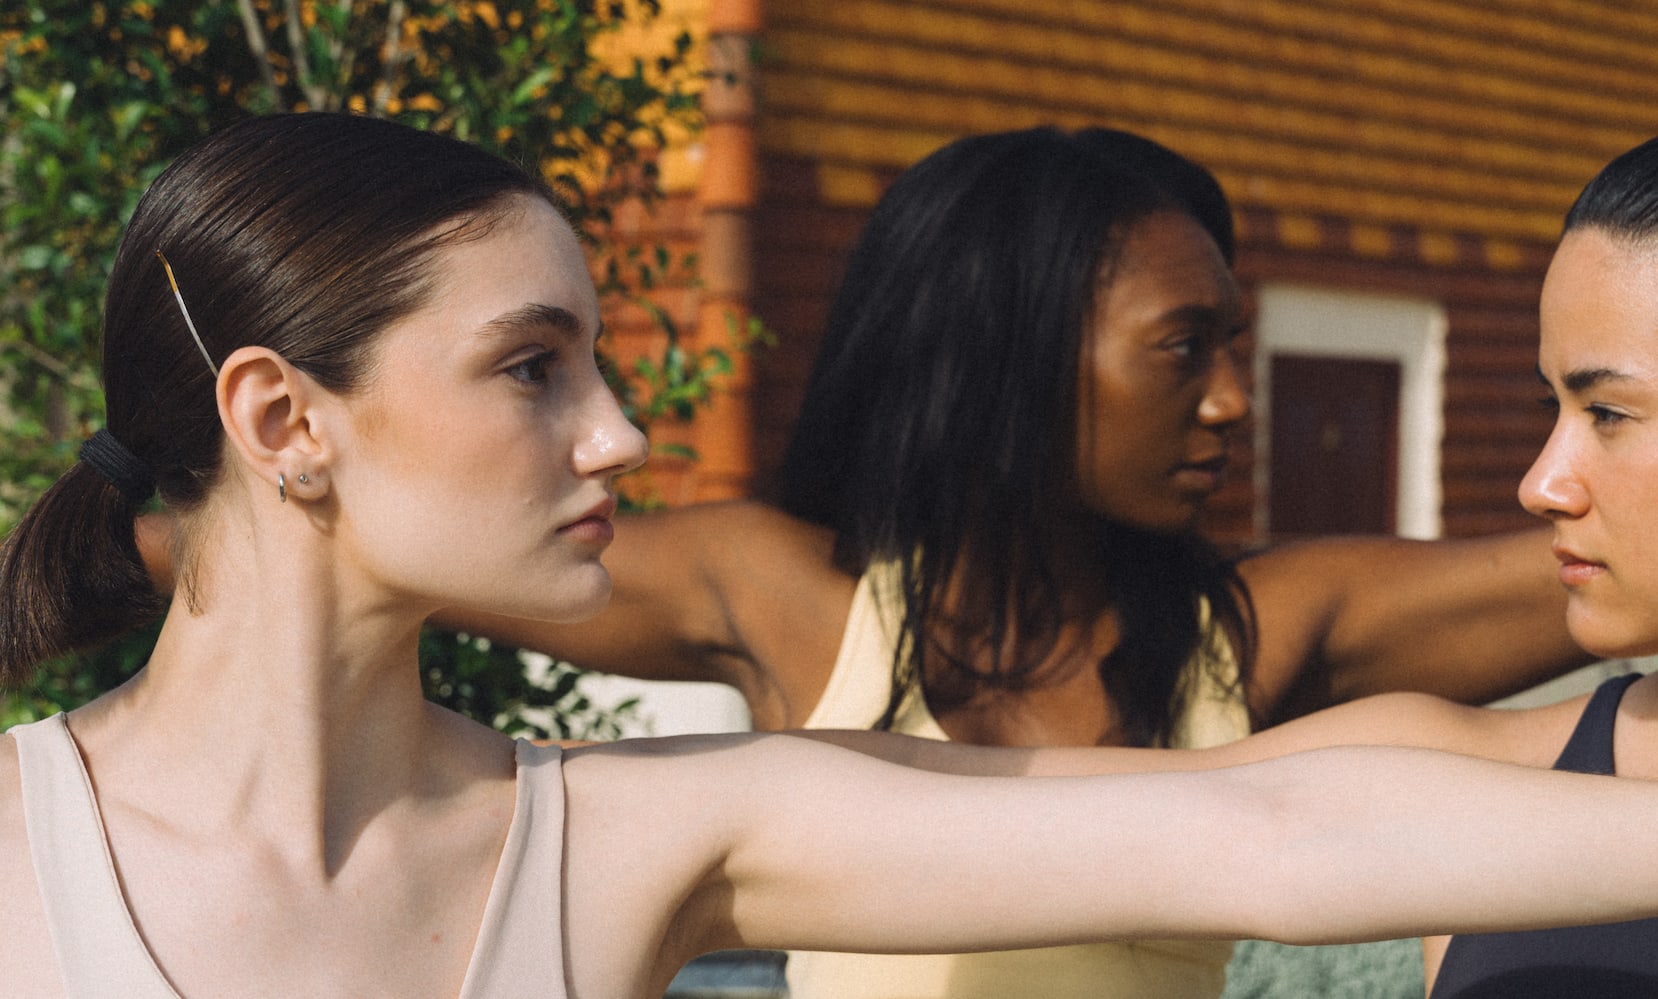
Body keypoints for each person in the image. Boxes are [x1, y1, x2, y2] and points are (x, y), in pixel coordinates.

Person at [13, 111, 1658, 997]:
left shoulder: (631, 838)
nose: (621, 430)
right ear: (283, 422)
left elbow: (1274, 843)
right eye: (535, 367)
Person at [435, 125, 1585, 998]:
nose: (1232, 399)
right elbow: (411, 561)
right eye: (1183, 349)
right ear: (1009, 354)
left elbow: (1633, 565)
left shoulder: (1251, 630)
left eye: (1231, 345)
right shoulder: (781, 596)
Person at [1019, 114, 1658, 996]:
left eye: (1606, 413)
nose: (1540, 484)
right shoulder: (1445, 782)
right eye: (1551, 410)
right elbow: (966, 821)